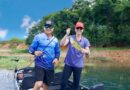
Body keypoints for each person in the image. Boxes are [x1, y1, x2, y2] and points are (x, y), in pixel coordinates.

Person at [29, 20, 60, 90]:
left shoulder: (55, 40)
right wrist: (34, 52)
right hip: (40, 63)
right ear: (44, 28)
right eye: (46, 26)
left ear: (53, 28)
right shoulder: (38, 37)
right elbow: (30, 49)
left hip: (50, 66)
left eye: (50, 26)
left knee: (46, 85)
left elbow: (57, 52)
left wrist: (56, 58)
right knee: (39, 83)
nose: (48, 28)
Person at [60, 21, 90, 90]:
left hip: (78, 66)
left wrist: (85, 51)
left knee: (76, 85)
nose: (79, 29)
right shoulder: (71, 38)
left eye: (81, 28)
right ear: (75, 29)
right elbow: (62, 44)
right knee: (63, 83)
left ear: (83, 30)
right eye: (77, 28)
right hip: (68, 64)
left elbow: (88, 54)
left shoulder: (85, 41)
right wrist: (66, 34)